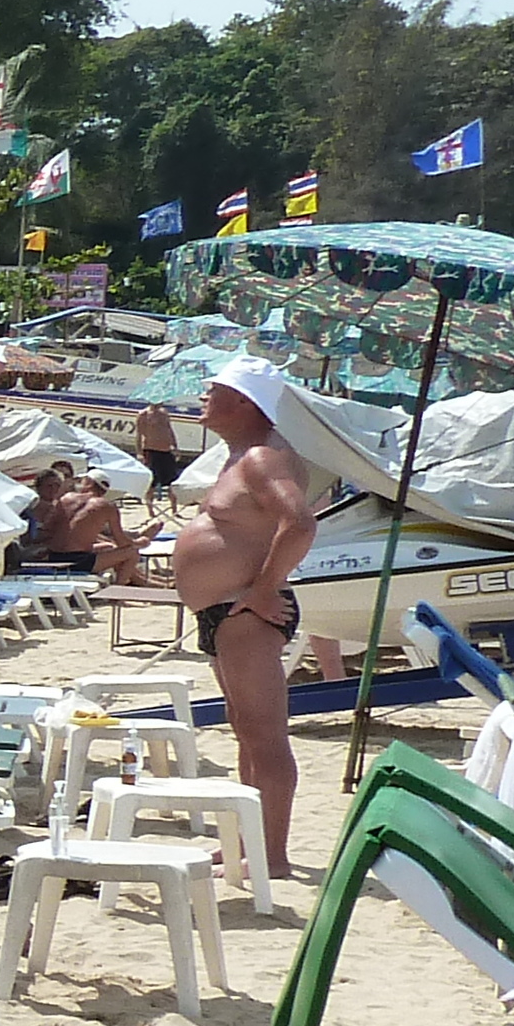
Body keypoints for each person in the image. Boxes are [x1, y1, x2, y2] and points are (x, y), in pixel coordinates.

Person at [171, 360, 317, 880]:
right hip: (227, 611)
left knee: (265, 736)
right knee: (246, 734)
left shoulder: (261, 457)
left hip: (247, 610)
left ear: (243, 401)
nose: (204, 397)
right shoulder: (238, 457)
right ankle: (243, 841)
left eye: (215, 390)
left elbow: (299, 522)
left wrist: (263, 587)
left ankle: (272, 856)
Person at [135, 402, 191, 511]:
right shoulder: (143, 414)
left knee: (172, 481)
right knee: (152, 482)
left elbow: (169, 430)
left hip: (166, 450)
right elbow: (138, 435)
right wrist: (139, 452)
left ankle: (173, 509)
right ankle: (150, 509)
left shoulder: (164, 413)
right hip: (151, 450)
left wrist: (175, 445)